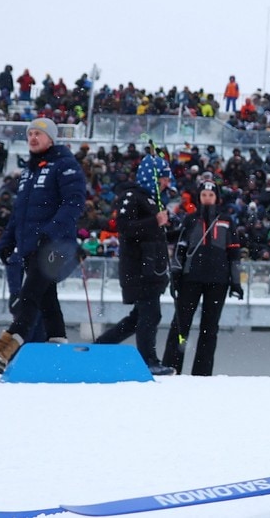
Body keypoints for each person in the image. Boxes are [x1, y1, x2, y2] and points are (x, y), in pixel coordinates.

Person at [0, 118, 86, 373]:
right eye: (30, 134)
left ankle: (3, 352)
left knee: (30, 296)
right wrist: (6, 242)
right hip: (31, 246)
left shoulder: (65, 165)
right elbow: (19, 214)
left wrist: (50, 232)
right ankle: (57, 347)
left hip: (55, 246)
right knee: (47, 299)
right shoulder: (29, 171)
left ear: (51, 139)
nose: (33, 138)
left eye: (39, 133)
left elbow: (74, 203)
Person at [93, 153, 177, 376]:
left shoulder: (152, 199)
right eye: (164, 177)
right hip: (140, 268)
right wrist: (154, 221)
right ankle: (148, 360)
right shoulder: (132, 196)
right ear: (153, 177)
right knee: (150, 314)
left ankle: (102, 344)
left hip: (152, 268)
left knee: (139, 317)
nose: (168, 182)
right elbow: (124, 226)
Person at [161, 180, 244, 376]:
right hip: (191, 279)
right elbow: (180, 250)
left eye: (211, 195)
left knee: (210, 328)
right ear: (199, 198)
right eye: (204, 195)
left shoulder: (226, 221)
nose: (207, 199)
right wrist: (175, 275)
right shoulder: (190, 220)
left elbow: (234, 254)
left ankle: (202, 372)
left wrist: (236, 282)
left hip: (218, 281)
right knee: (180, 325)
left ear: (217, 198)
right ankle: (172, 367)